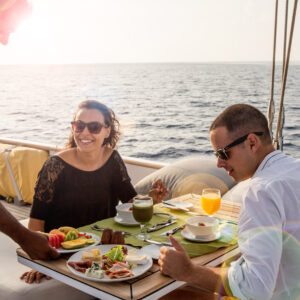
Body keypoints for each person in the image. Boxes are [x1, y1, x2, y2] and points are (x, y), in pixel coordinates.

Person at [159, 104, 300, 300]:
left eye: (223, 153)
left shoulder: (260, 192)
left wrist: (189, 271)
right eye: (216, 155)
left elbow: (255, 288)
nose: (219, 163)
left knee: (170, 296)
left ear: (252, 142)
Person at [21, 100, 168, 283]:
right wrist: (39, 262)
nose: (85, 133)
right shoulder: (54, 166)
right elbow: (36, 223)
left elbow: (130, 202)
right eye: (79, 125)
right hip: (64, 254)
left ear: (107, 130)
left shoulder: (112, 158)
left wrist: (151, 199)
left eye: (94, 127)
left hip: (103, 250)